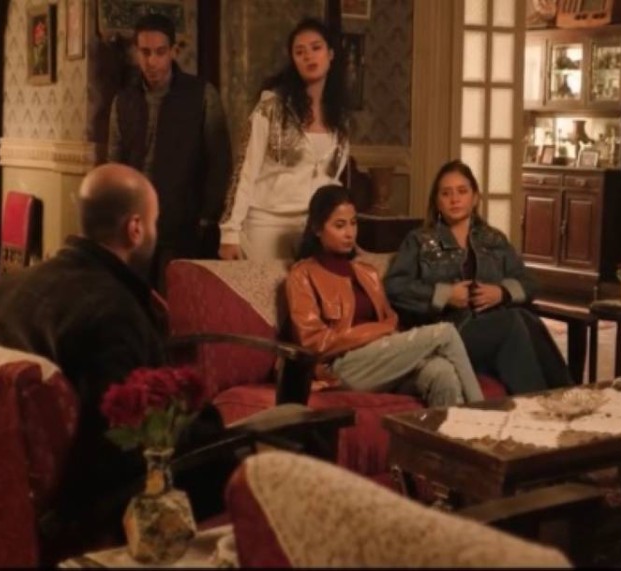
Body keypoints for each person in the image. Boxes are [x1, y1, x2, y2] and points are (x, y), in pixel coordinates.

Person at [0, 164, 239, 558]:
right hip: (91, 503)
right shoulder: (112, 312)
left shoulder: (12, 286)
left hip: (11, 483)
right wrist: (214, 431)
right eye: (155, 222)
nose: (154, 231)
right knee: (248, 462)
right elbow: (124, 440)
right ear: (135, 228)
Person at [286, 185, 484, 407]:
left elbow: (391, 321)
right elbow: (314, 342)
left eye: (353, 223)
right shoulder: (302, 275)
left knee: (442, 372)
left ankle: (450, 430)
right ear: (317, 228)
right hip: (343, 367)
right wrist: (376, 332)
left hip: (382, 360)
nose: (350, 233)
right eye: (339, 225)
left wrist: (385, 333)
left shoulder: (367, 273)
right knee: (445, 332)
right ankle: (483, 413)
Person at [385, 160, 571, 395]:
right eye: (446, 193)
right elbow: (395, 287)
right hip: (450, 333)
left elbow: (530, 282)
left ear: (475, 198)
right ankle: (536, 402)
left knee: (526, 318)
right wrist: (445, 295)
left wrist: (502, 292)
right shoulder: (419, 240)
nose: (454, 199)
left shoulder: (493, 240)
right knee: (512, 321)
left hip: (493, 327)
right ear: (437, 201)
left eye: (462, 191)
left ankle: (567, 395)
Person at [108, 13, 231, 289]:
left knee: (174, 299)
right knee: (132, 297)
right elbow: (114, 165)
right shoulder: (124, 100)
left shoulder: (201, 94)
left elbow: (220, 161)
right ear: (136, 52)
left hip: (184, 221)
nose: (152, 61)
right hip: (135, 222)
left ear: (173, 51)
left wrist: (207, 217)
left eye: (160, 52)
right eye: (145, 52)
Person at [218, 18, 350, 262]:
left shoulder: (339, 117)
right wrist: (230, 232)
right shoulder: (272, 107)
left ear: (331, 54)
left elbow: (332, 180)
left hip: (312, 228)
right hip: (266, 224)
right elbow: (244, 171)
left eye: (316, 48)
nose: (308, 56)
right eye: (300, 52)